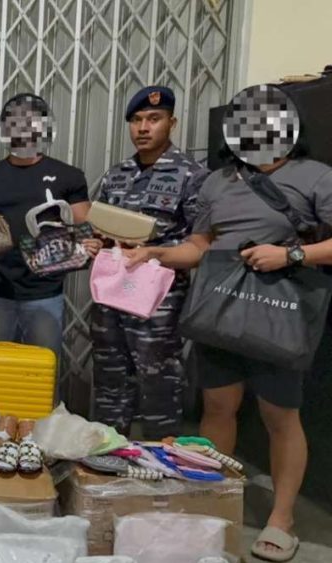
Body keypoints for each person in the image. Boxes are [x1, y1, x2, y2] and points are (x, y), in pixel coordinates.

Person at [126, 84, 332, 563]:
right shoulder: (218, 182)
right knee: (217, 408)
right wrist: (156, 253)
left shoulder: (316, 176)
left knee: (280, 416)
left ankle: (282, 518)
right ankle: (212, 499)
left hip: (279, 314)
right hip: (218, 312)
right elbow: (199, 247)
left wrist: (291, 255)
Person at [90, 86, 210, 439]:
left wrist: (154, 254)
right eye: (137, 120)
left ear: (172, 123)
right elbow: (103, 231)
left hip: (158, 302)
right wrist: (94, 243)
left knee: (159, 381)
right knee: (110, 378)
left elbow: (201, 247)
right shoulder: (117, 174)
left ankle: (161, 457)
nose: (143, 128)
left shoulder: (192, 176)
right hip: (112, 295)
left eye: (154, 119)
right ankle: (108, 455)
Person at [0, 94, 95, 365]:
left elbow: (86, 227)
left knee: (41, 372)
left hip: (46, 292)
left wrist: (91, 243)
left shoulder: (69, 175)